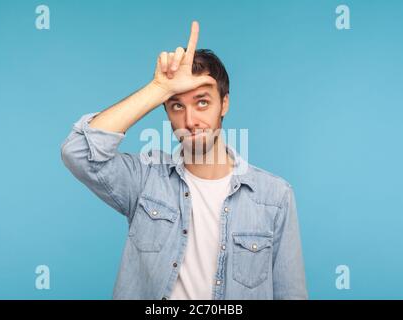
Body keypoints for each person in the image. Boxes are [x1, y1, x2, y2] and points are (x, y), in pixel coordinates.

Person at [60, 21, 307, 300]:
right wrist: (158, 88)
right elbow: (78, 151)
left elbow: (291, 295)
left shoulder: (275, 196)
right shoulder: (146, 179)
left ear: (224, 104)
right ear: (165, 109)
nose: (190, 121)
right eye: (177, 105)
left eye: (202, 102)